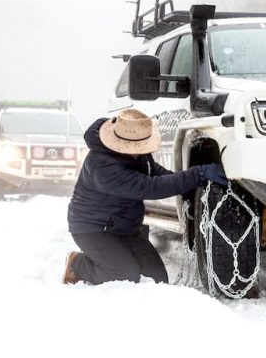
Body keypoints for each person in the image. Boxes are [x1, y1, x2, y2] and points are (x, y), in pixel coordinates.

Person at [62, 109, 226, 285]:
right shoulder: (102, 165)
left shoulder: (138, 151)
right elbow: (149, 187)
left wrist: (189, 187)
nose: (138, 151)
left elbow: (154, 172)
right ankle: (78, 264)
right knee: (124, 275)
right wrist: (198, 174)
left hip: (125, 227)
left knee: (157, 279)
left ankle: (112, 256)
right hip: (93, 229)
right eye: (133, 147)